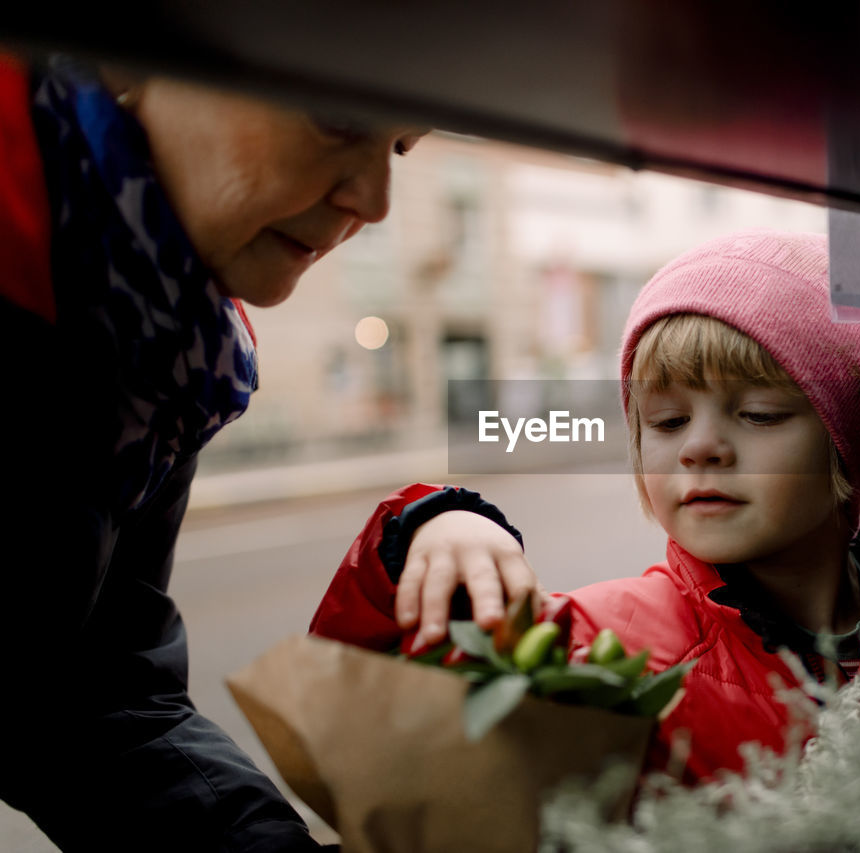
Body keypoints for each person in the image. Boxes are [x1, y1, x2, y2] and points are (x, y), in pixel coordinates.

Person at [0, 52, 536, 850]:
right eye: (339, 117)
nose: (377, 203)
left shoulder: (163, 354)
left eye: (400, 147)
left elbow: (95, 690)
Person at [312, 230, 860, 783]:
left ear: (850, 444)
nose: (701, 449)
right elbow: (368, 711)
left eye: (758, 413)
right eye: (667, 421)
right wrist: (426, 527)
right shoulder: (601, 647)